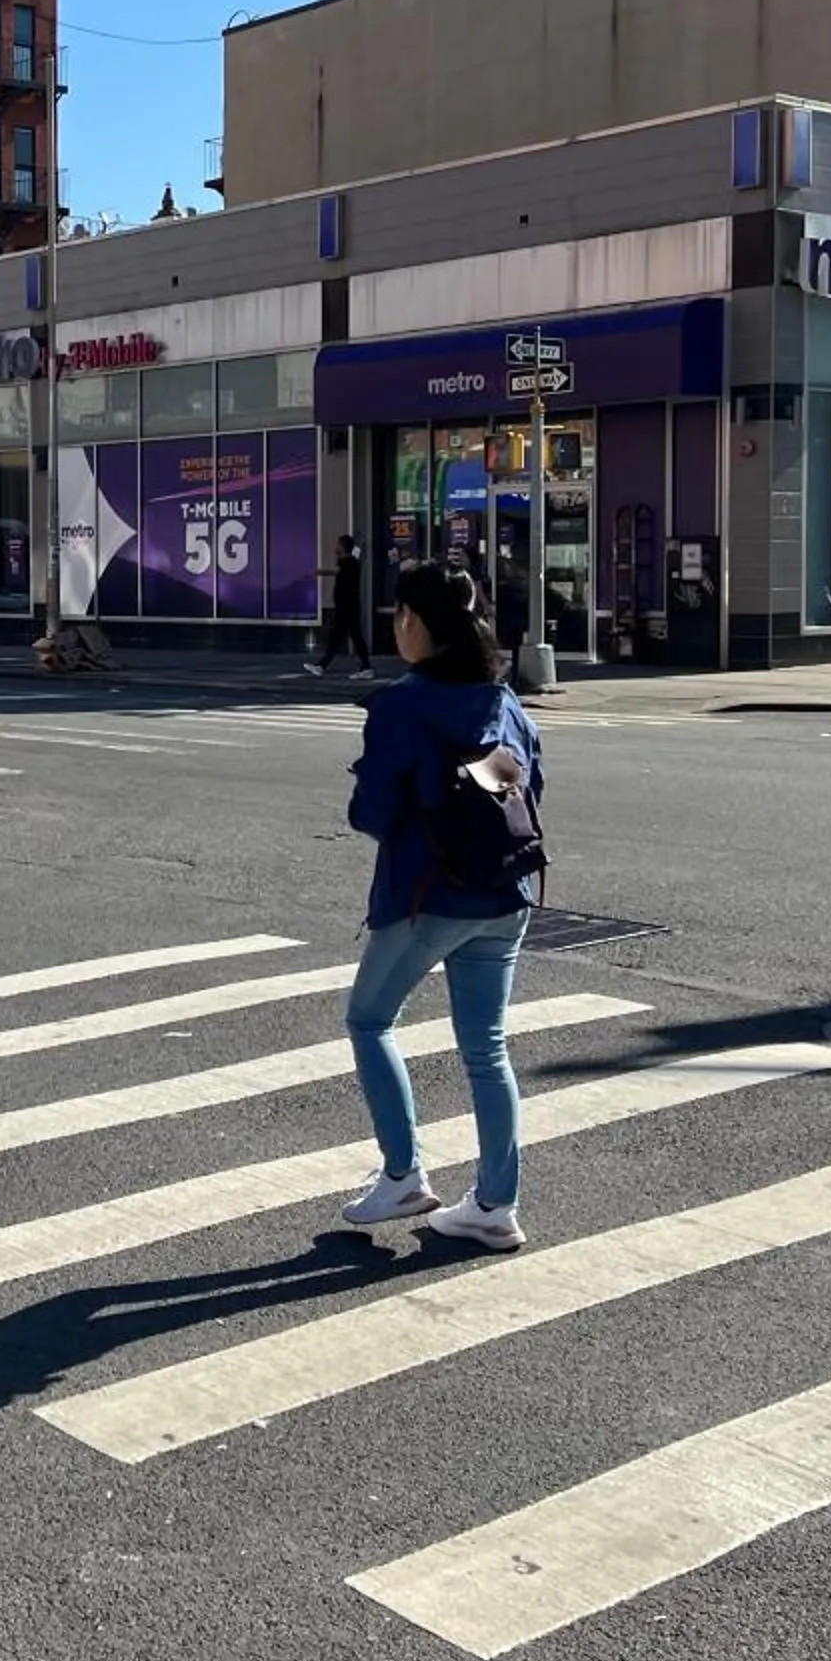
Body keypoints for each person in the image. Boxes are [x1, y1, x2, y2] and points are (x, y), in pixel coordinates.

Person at [334, 561, 546, 1252]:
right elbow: (530, 781)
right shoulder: (501, 697)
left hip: (429, 897)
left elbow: (373, 812)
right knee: (486, 1049)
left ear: (414, 622)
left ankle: (402, 1174)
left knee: (369, 1020)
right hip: (506, 890)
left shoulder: (401, 705)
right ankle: (494, 1204)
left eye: (399, 615)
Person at [305, 534, 374, 680]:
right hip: (350, 605)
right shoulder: (353, 562)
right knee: (351, 636)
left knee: (341, 636)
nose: (335, 547)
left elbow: (336, 571)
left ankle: (322, 666)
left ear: (343, 547)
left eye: (338, 545)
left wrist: (319, 572)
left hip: (346, 606)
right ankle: (365, 667)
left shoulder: (346, 562)